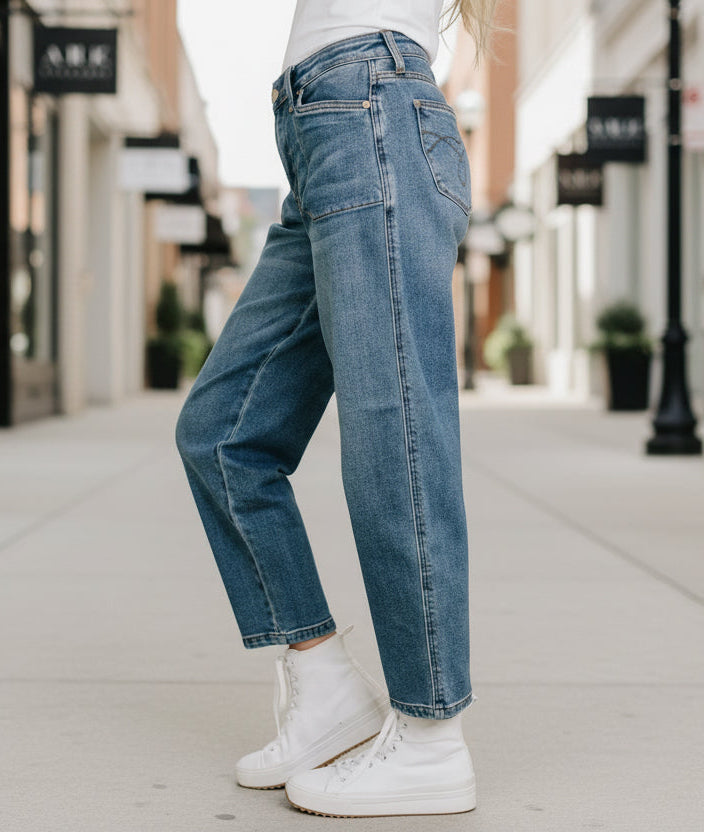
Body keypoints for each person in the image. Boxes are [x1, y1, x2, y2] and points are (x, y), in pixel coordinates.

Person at [175, 0, 497, 818]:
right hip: (324, 135)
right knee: (223, 433)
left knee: (397, 436)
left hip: (369, 113)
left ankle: (430, 737)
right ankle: (324, 688)